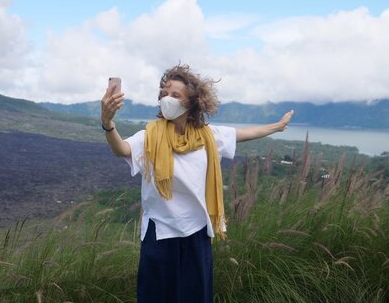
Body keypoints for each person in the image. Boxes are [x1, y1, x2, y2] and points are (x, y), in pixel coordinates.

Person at [100, 65, 294, 303]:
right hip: (160, 232)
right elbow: (121, 149)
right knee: (156, 296)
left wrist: (276, 127)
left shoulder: (207, 136)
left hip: (197, 231)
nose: (166, 99)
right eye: (163, 94)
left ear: (191, 102)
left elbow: (243, 134)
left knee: (196, 296)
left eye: (175, 95)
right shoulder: (149, 136)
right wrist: (108, 123)